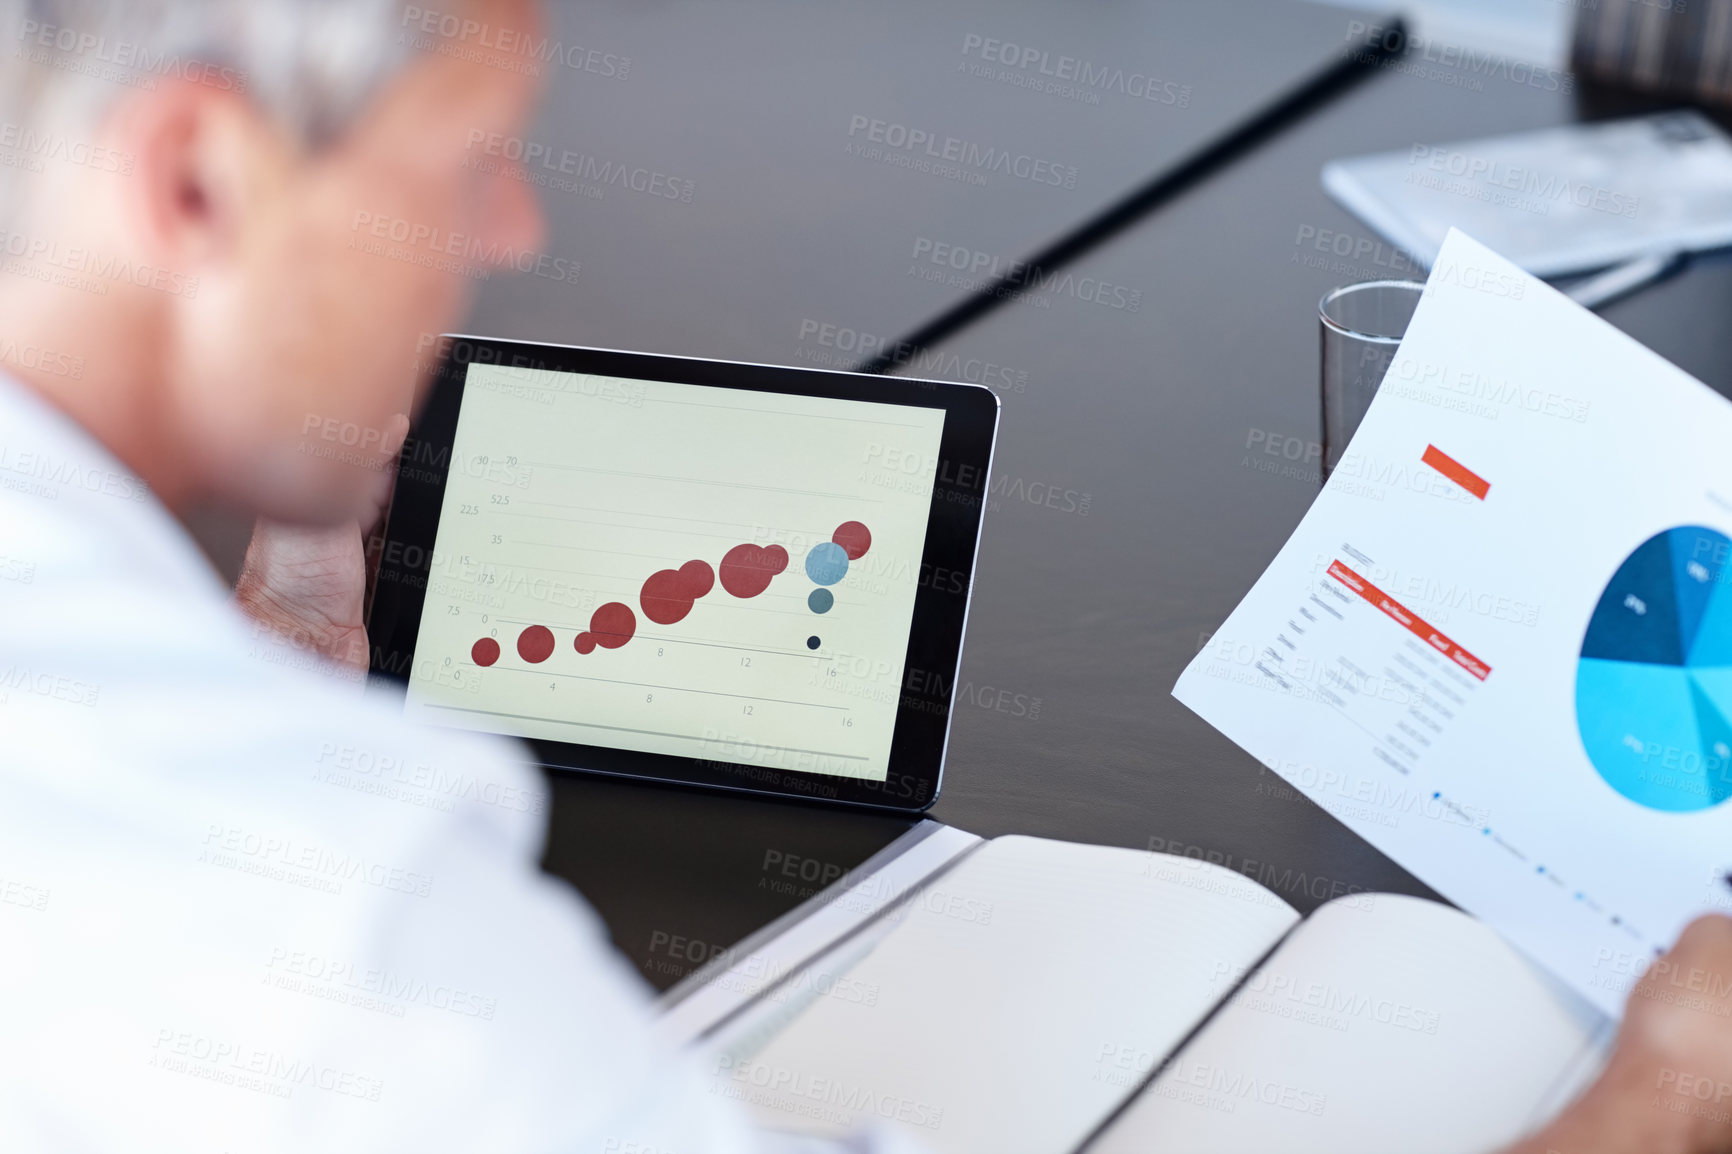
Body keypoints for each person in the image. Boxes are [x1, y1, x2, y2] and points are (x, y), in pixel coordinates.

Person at [0, 1, 1725, 1151]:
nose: (515, 228)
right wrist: (1661, 1087)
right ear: (195, 175)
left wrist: (275, 668)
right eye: (463, 161)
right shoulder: (344, 938)